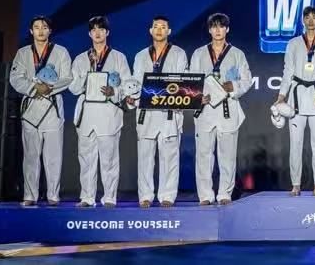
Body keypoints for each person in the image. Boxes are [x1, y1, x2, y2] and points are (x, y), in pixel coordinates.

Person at [189, 13, 253, 205]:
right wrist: (198, 96)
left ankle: (224, 193)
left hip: (228, 109)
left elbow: (247, 80)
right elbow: (191, 79)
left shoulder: (237, 54)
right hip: (206, 109)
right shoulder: (199, 53)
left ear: (227, 29)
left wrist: (233, 86)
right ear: (209, 30)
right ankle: (205, 195)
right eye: (214, 26)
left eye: (221, 26)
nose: (218, 30)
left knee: (227, 156)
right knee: (204, 155)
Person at [9, 16, 73, 206]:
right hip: (31, 106)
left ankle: (53, 195)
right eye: (36, 27)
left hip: (52, 107)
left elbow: (68, 77)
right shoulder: (22, 53)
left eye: (44, 27)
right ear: (31, 31)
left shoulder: (60, 52)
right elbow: (15, 78)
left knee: (53, 155)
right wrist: (34, 87)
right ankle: (30, 195)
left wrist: (49, 87)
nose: (40, 31)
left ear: (50, 31)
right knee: (30, 155)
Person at [68, 16, 131, 207]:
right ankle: (87, 197)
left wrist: (115, 91)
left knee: (109, 159)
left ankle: (109, 197)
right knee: (86, 159)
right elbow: (73, 87)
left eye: (101, 29)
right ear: (89, 33)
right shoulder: (81, 59)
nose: (97, 33)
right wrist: (89, 76)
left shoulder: (119, 57)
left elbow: (128, 85)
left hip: (108, 113)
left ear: (107, 32)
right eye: (94, 29)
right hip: (87, 115)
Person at [276, 6, 315, 196]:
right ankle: (296, 184)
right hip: (297, 96)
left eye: (314, 17)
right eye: (307, 17)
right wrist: (281, 95)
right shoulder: (293, 43)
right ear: (303, 20)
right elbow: (288, 71)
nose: (310, 21)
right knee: (296, 144)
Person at [131, 15, 189, 207]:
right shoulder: (140, 56)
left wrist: (178, 97)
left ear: (169, 31)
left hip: (169, 112)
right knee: (145, 158)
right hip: (147, 112)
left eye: (163, 27)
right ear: (150, 30)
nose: (159, 30)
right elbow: (135, 82)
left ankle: (167, 196)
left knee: (170, 157)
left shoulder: (179, 53)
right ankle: (145, 196)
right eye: (156, 26)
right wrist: (131, 97)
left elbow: (183, 80)